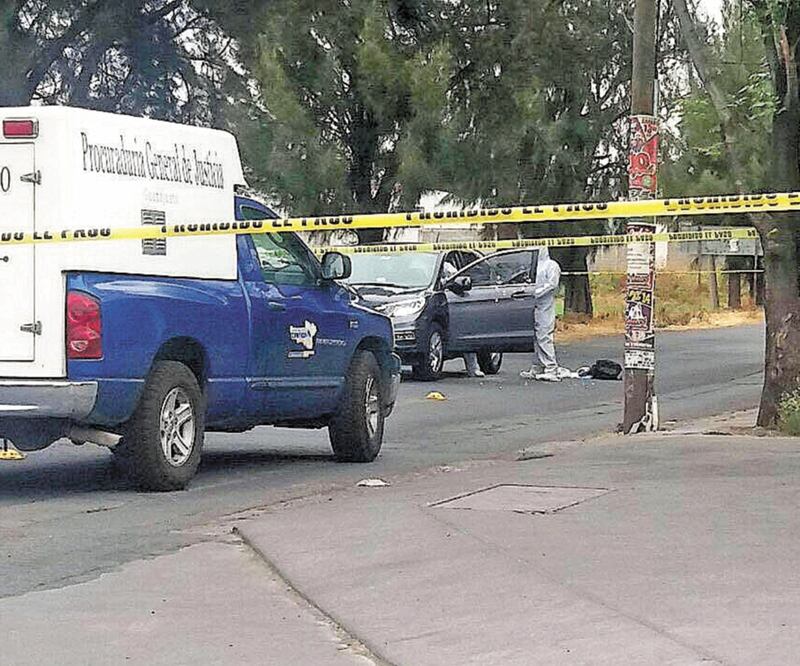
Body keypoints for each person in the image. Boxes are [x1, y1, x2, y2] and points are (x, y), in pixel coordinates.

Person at [520, 247, 562, 382]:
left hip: (545, 305)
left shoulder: (551, 265)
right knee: (535, 337)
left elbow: (552, 284)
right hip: (532, 305)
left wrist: (536, 292)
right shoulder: (532, 266)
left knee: (544, 336)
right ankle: (537, 366)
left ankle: (551, 368)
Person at [441, 256, 484, 378]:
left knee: (465, 333)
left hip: (453, 303)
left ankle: (473, 368)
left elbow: (457, 280)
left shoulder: (446, 266)